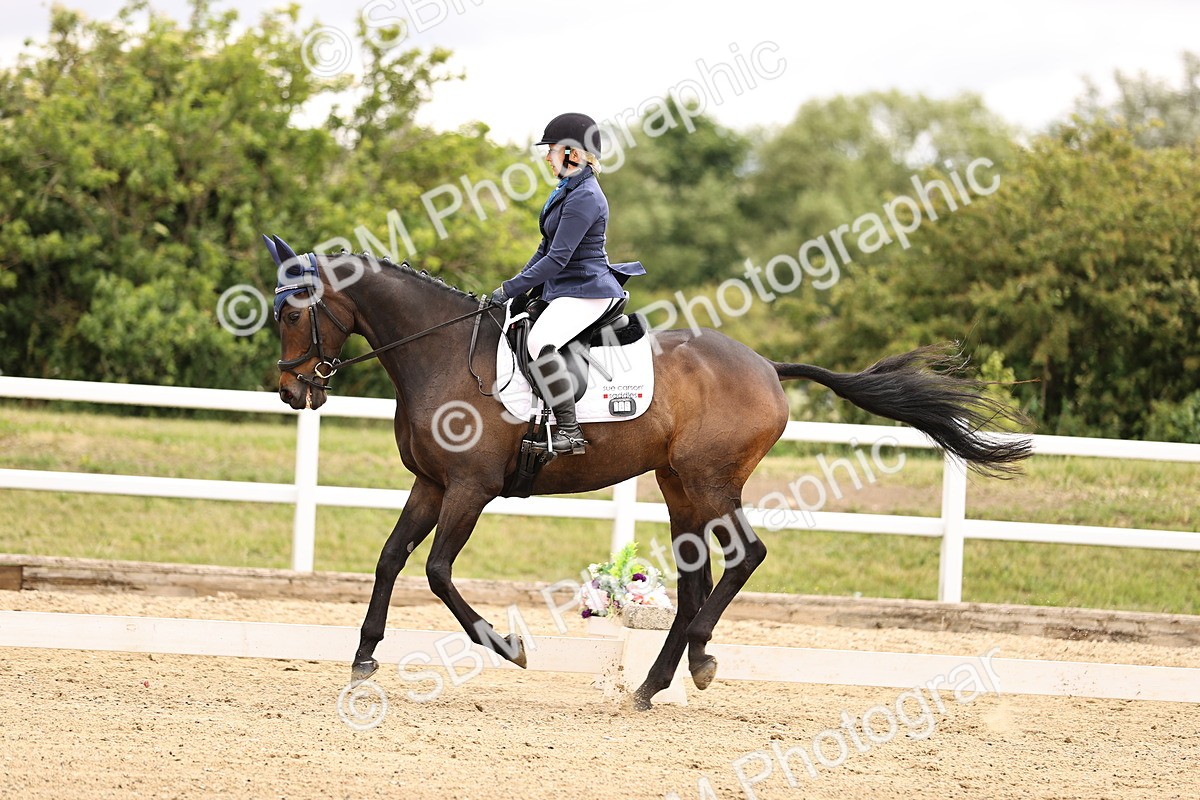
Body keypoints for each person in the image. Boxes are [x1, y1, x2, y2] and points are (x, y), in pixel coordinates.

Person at [490, 112, 645, 455]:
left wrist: (511, 289)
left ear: (573, 153)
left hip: (588, 290)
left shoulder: (585, 196)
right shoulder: (566, 189)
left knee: (540, 342)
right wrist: (514, 288)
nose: (547, 157)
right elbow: (543, 249)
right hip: (566, 288)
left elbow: (557, 259)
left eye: (552, 150)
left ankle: (570, 431)